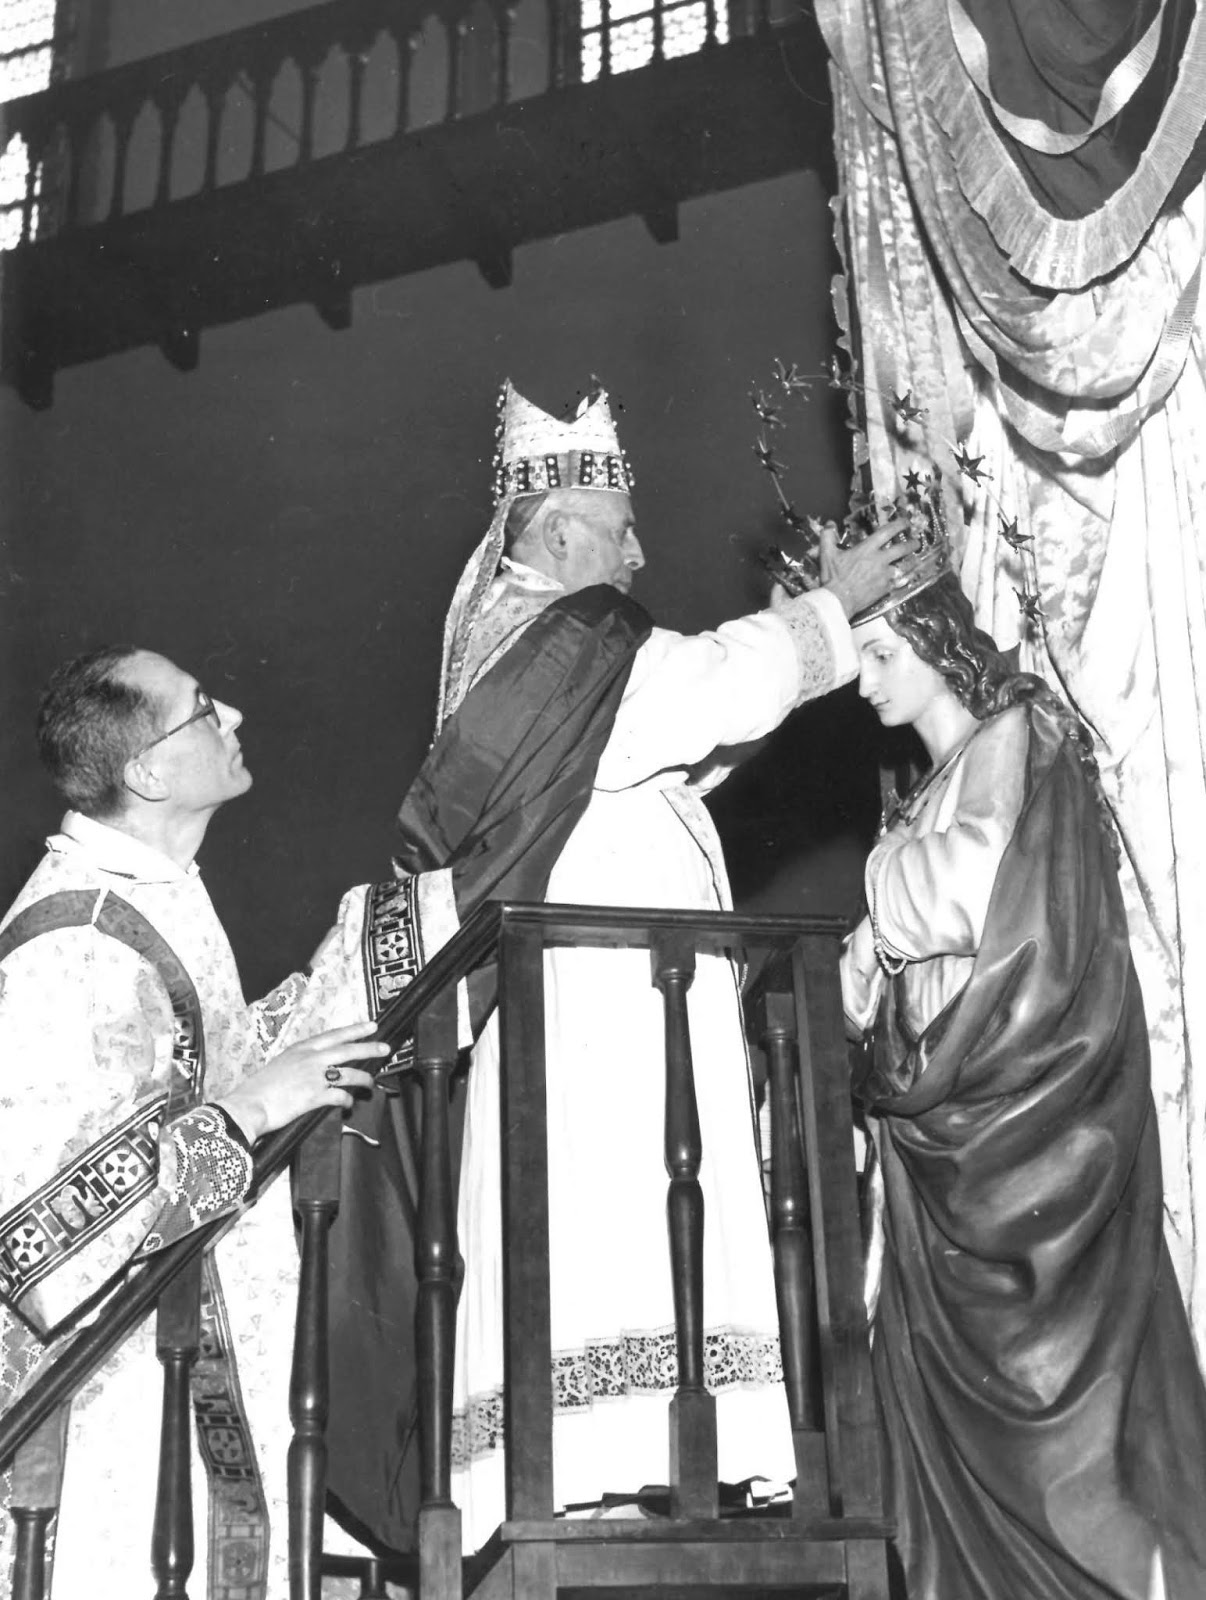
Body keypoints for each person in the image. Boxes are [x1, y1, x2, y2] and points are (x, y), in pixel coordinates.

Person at [320, 379, 906, 1556]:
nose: (640, 551)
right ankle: (624, 1468)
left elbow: (661, 749)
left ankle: (632, 1465)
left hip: (606, 1003)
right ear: (557, 531)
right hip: (593, 1013)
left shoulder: (558, 656)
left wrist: (807, 642)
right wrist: (832, 616)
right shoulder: (560, 639)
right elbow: (691, 691)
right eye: (621, 522)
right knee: (616, 1231)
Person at [840, 545, 1206, 1599]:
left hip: (1030, 1132)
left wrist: (877, 897)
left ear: (930, 635)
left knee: (1061, 1437)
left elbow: (966, 893)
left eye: (878, 653)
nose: (866, 684)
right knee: (960, 1441)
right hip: (944, 1134)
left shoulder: (1014, 739)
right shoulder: (934, 781)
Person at [0, 645, 389, 1600]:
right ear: (147, 772)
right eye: (205, 708)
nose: (237, 716)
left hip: (175, 1369)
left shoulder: (152, 892)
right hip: (106, 1406)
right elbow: (34, 1238)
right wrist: (256, 1104)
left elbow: (190, 1072)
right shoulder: (73, 939)